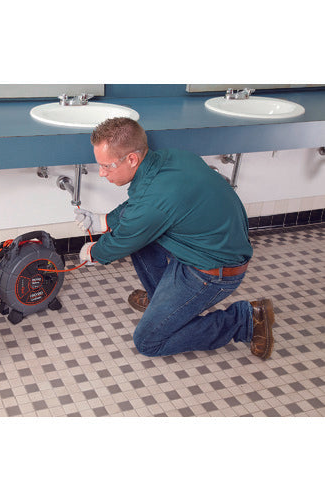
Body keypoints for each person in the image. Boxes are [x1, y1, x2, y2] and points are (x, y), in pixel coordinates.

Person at [75, 117, 275, 360]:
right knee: (143, 240)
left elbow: (135, 225)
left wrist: (94, 253)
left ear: (132, 159)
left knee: (148, 342)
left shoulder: (155, 198)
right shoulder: (172, 158)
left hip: (213, 272)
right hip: (204, 245)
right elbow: (143, 205)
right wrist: (104, 220)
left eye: (107, 166)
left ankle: (245, 320)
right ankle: (162, 303)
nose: (101, 173)